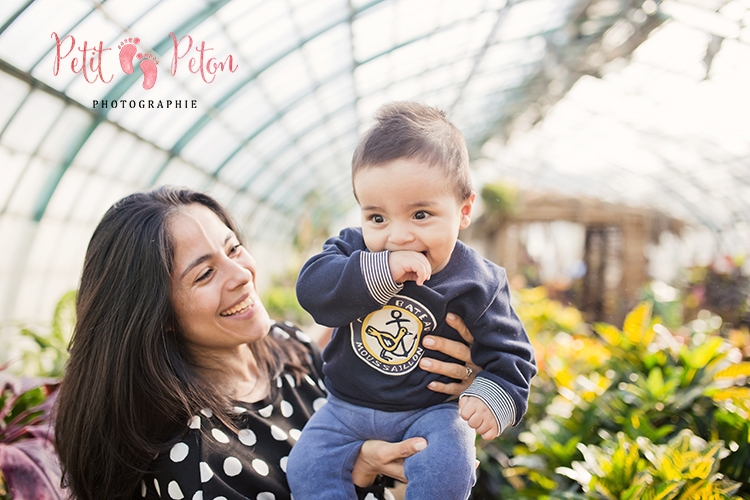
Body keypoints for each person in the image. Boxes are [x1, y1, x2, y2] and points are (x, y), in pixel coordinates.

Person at [53, 186, 480, 500]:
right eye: (203, 274)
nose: (240, 274)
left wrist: (442, 390)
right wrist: (358, 470)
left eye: (233, 248)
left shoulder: (287, 347)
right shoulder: (198, 462)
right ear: (156, 315)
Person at [287, 102, 537, 500]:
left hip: (429, 413)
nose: (397, 236)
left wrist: (491, 396)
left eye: (420, 214)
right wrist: (380, 270)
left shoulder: (478, 282)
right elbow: (313, 290)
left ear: (464, 209)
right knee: (307, 468)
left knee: (450, 467)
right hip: (343, 410)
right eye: (378, 218)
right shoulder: (352, 250)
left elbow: (513, 356)